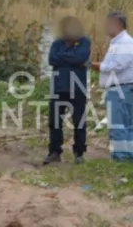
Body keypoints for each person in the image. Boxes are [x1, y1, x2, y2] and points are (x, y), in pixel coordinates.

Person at [44, 16, 90, 165]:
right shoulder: (57, 43)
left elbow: (80, 58)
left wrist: (63, 57)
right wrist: (71, 58)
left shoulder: (84, 42)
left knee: (79, 122)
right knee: (55, 122)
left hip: (77, 89)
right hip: (58, 88)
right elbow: (51, 59)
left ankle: (79, 153)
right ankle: (54, 152)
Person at [92, 12, 133, 162]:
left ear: (119, 24)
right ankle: (127, 155)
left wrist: (98, 66)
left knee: (119, 124)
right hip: (121, 88)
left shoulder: (125, 43)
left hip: (120, 88)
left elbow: (118, 65)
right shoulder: (116, 43)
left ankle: (121, 157)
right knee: (126, 124)